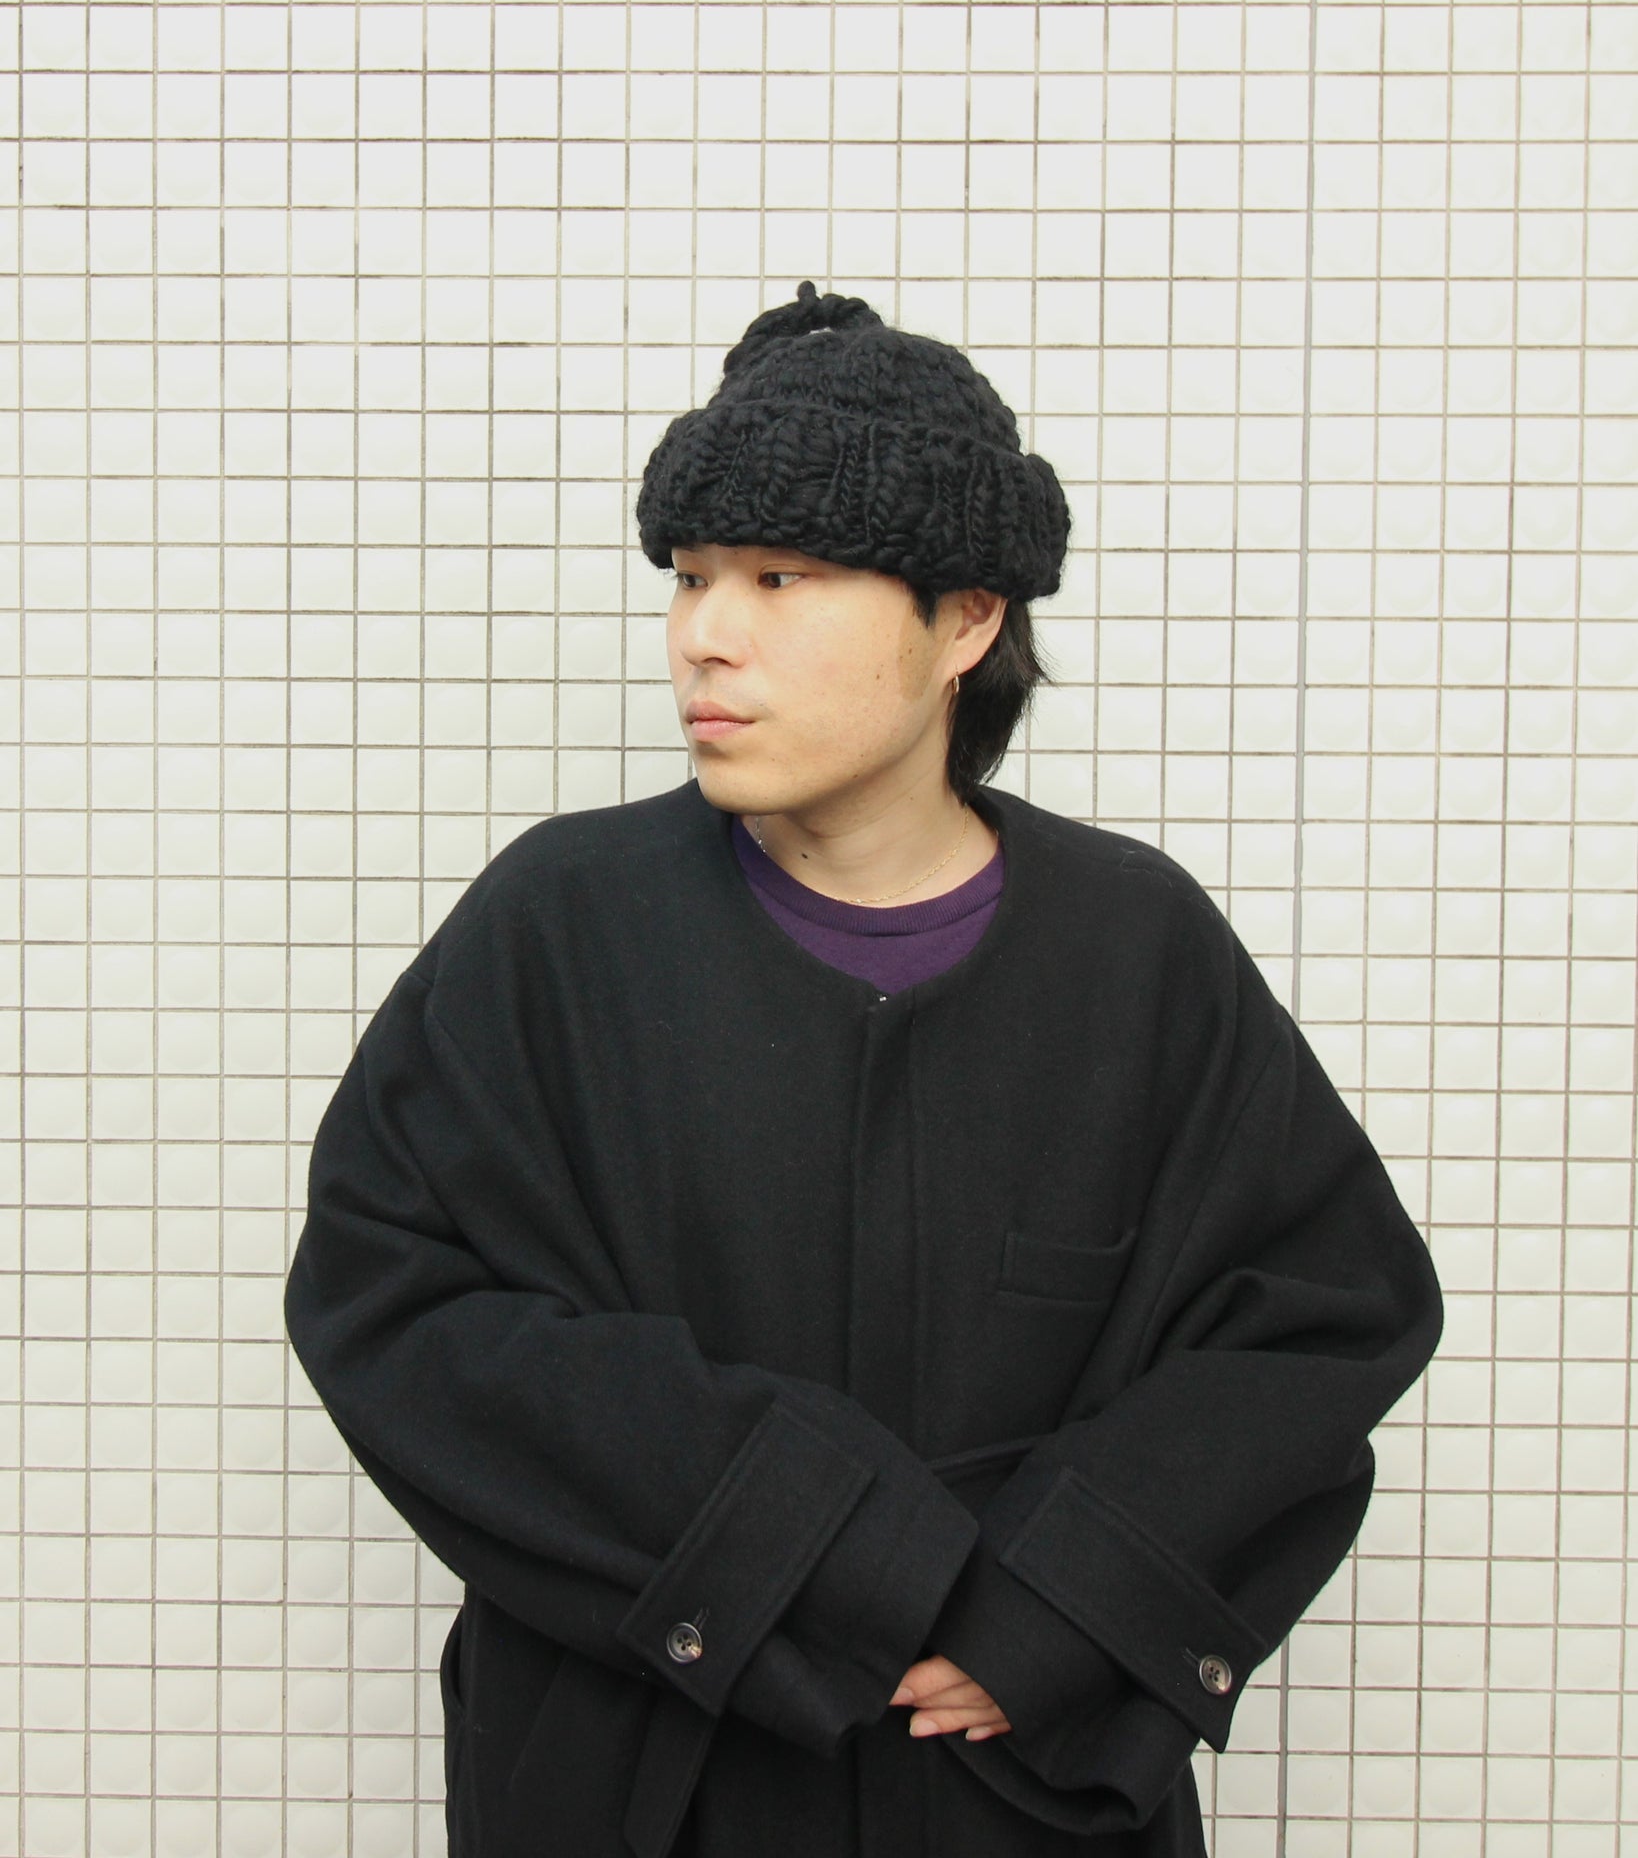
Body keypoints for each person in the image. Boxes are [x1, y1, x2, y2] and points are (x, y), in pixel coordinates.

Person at [284, 283, 1443, 1858]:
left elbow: (1319, 1319)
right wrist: (809, 1545)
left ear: (965, 621)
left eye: (781, 576)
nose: (705, 632)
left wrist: (1061, 1606)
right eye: (690, 576)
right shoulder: (561, 924)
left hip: (1007, 1788)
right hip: (639, 1775)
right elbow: (396, 1299)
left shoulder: (1134, 947)